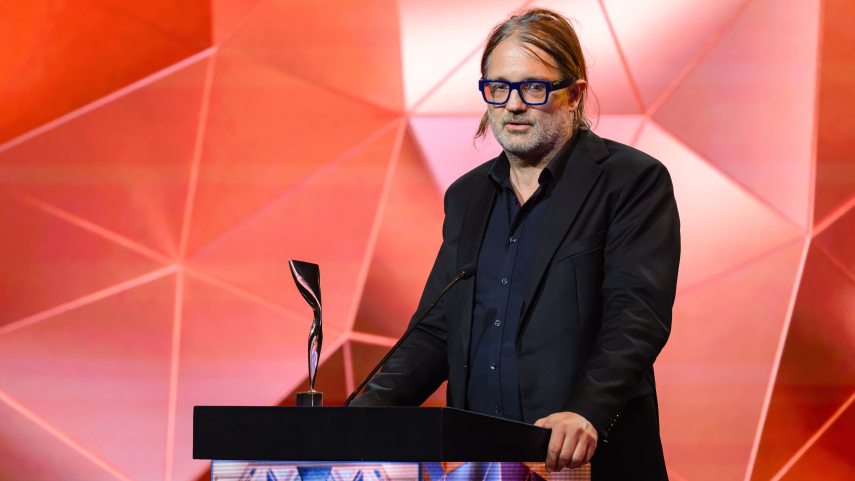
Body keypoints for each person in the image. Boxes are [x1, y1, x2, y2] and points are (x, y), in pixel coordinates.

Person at [351, 8, 680, 480]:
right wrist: (353, 420)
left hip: (580, 463)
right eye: (499, 88)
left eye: (533, 88)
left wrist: (586, 411)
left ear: (574, 95)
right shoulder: (467, 197)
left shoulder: (631, 182)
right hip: (481, 466)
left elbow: (636, 316)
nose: (514, 105)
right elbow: (436, 331)